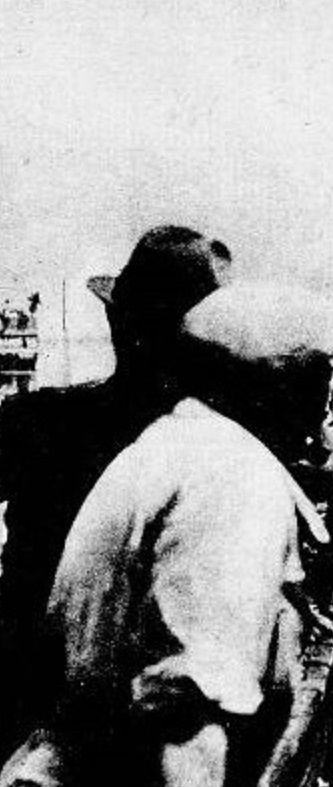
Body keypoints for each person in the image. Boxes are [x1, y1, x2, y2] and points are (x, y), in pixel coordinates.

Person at [41, 281, 333, 787]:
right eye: (323, 379)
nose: (328, 402)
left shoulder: (177, 446)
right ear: (283, 387)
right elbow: (185, 702)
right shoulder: (231, 477)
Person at [0, 226, 231, 755]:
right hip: (144, 728)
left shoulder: (37, 420)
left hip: (23, 693)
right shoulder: (211, 451)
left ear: (115, 322)